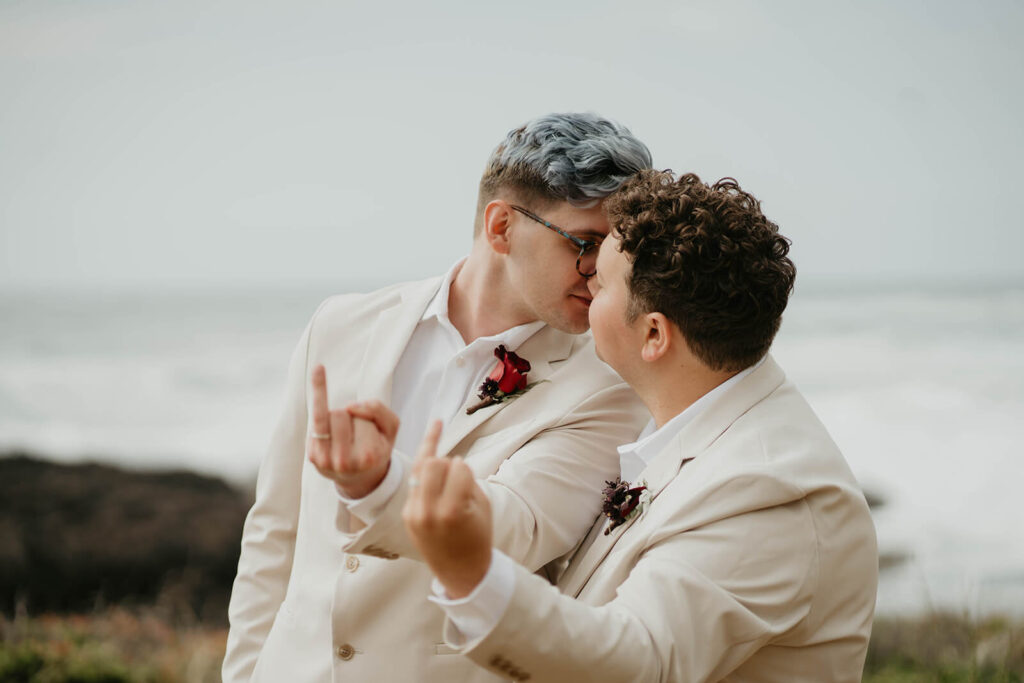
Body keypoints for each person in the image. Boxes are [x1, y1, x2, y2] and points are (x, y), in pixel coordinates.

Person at [222, 113, 653, 682]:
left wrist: (380, 484)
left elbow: (515, 532)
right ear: (501, 227)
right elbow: (275, 530)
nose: (600, 273)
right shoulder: (340, 325)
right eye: (586, 243)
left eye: (617, 250)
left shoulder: (611, 387)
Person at [402, 170, 879, 682]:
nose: (583, 281)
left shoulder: (766, 489)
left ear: (654, 333)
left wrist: (473, 574)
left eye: (601, 281)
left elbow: (639, 662)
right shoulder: (702, 426)